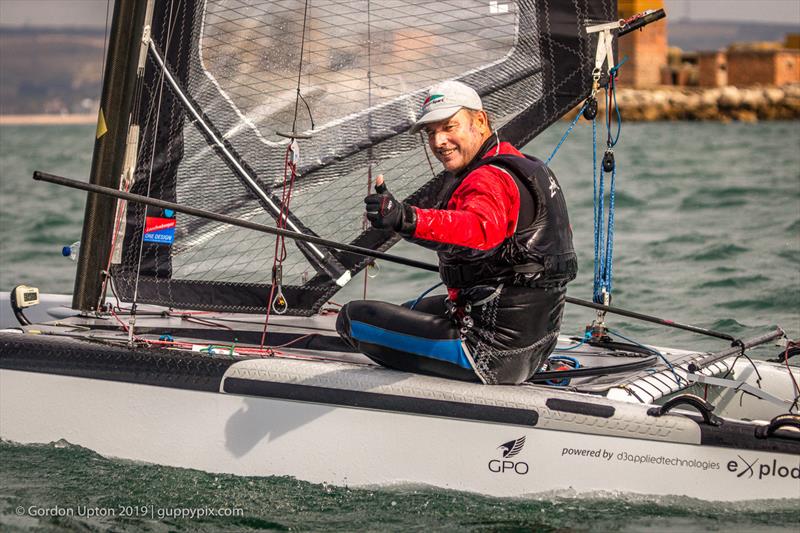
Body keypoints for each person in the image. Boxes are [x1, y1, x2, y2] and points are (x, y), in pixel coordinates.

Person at [336, 80, 577, 385]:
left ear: (480, 121)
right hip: (533, 349)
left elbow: (477, 230)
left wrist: (405, 217)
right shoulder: (523, 164)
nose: (439, 142)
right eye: (431, 132)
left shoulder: (488, 178)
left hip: (486, 355)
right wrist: (398, 221)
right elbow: (462, 239)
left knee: (353, 320)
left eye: (449, 127)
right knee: (409, 311)